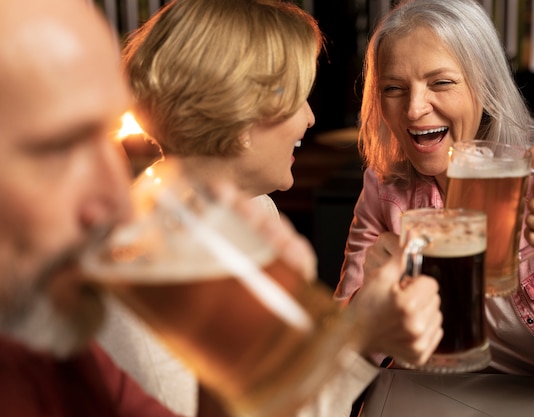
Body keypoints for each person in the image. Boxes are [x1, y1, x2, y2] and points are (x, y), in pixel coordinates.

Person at [0, 0, 439, 416]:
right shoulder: (127, 285)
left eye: (106, 138)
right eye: (59, 149)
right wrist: (357, 342)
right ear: (244, 115)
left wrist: (353, 339)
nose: (118, 199)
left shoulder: (252, 217)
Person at [335, 0, 534, 384]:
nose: (414, 109)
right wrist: (372, 302)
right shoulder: (384, 185)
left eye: (441, 82)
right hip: (441, 395)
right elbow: (339, 359)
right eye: (394, 88)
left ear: (484, 86)